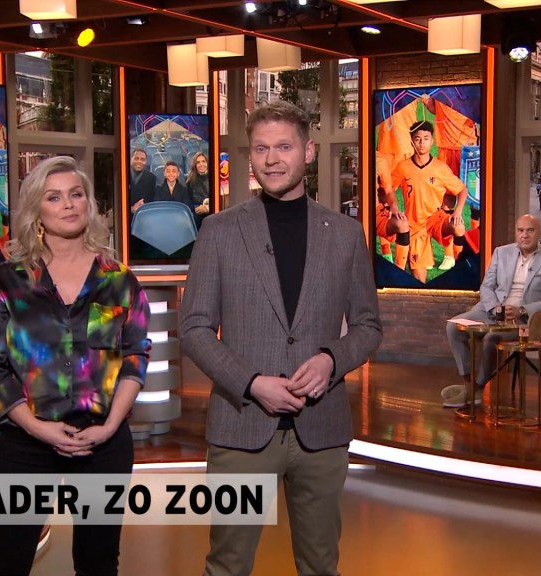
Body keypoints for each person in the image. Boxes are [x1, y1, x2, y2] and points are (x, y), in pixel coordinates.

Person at [180, 100, 382, 576]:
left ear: (308, 152)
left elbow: (368, 326)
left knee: (320, 566)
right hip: (241, 428)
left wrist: (331, 360)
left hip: (321, 431)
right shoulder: (219, 231)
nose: (272, 159)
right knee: (227, 566)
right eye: (261, 149)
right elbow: (194, 328)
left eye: (284, 147)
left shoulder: (346, 234)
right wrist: (251, 382)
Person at [0, 156, 151, 575]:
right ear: (37, 210)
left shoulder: (119, 280)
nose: (69, 204)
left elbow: (135, 357)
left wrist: (110, 427)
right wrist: (37, 428)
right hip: (26, 441)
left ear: (89, 203)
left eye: (76, 194)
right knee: (4, 562)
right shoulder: (7, 282)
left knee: (98, 563)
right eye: (54, 197)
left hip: (102, 441)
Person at [443, 214, 541, 408]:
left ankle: (478, 388)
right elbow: (486, 286)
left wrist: (522, 310)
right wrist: (495, 308)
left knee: (491, 338)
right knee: (453, 327)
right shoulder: (501, 253)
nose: (524, 235)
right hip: (491, 310)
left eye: (530, 230)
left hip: (524, 321)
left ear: (539, 233)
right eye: (520, 231)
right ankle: (468, 384)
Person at [386, 120, 468, 281]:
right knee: (419, 279)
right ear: (411, 141)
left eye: (426, 138)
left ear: (432, 141)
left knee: (458, 226)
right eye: (417, 139)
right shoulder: (403, 167)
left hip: (436, 219)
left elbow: (462, 190)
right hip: (415, 225)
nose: (422, 143)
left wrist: (457, 211)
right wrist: (394, 207)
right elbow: (389, 190)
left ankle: (461, 264)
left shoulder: (440, 168)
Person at [128, 148, 156, 215]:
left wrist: (143, 207)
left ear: (146, 162)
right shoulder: (122, 175)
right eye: (136, 158)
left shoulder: (152, 178)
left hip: (144, 214)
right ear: (131, 159)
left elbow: (152, 202)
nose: (139, 161)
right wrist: (131, 209)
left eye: (142, 159)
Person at [186, 151, 212, 220]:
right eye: (198, 162)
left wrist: (207, 208)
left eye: (203, 161)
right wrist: (196, 208)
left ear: (207, 163)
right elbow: (188, 201)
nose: (201, 164)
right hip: (198, 211)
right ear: (195, 165)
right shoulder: (190, 180)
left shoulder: (215, 177)